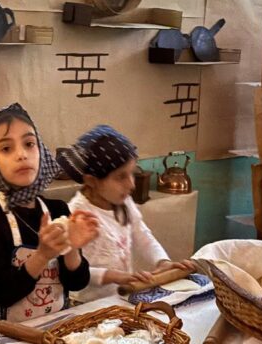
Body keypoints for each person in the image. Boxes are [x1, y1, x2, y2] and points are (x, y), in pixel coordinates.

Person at [0, 103, 99, 322]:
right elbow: (1, 294)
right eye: (6, 148)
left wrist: (72, 249)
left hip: (57, 326)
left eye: (29, 144)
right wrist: (42, 255)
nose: (21, 155)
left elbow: (77, 283)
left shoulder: (58, 210)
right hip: (6, 333)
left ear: (41, 151)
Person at [56, 125, 192, 302]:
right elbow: (74, 271)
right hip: (85, 304)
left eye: (132, 174)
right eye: (121, 177)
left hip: (120, 298)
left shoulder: (124, 202)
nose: (131, 184)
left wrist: (162, 262)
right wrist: (113, 276)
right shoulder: (77, 213)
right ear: (91, 181)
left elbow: (143, 236)